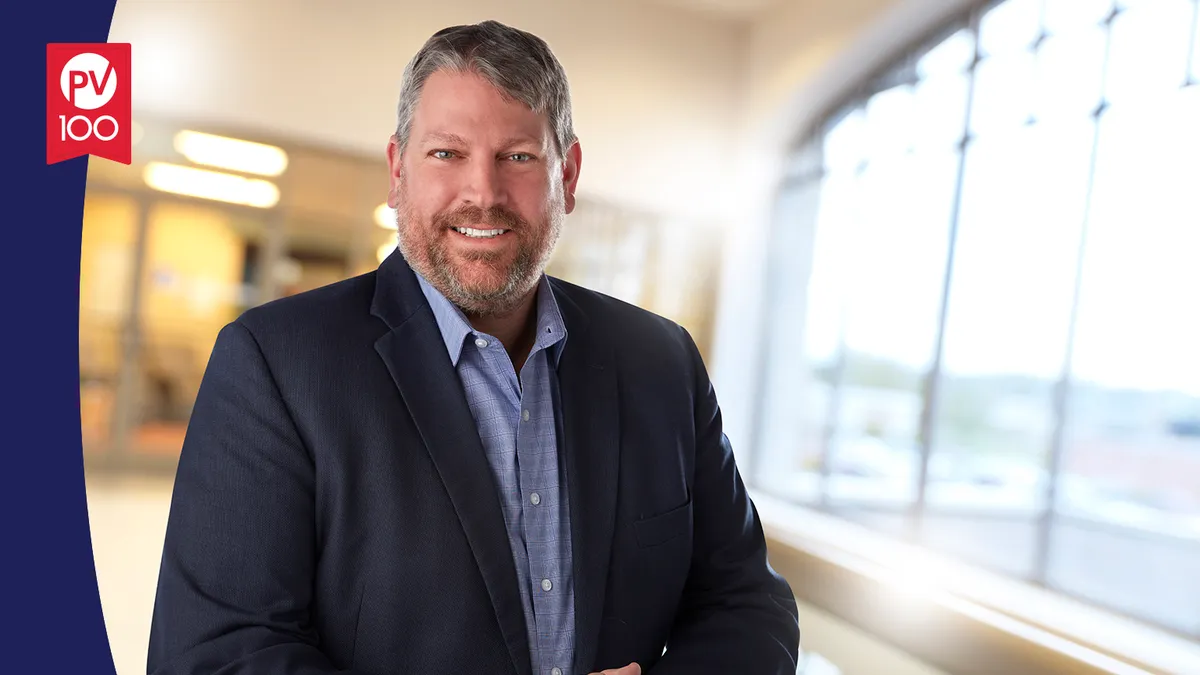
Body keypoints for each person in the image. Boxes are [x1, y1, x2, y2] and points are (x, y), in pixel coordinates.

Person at [147, 19, 799, 675]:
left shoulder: (662, 363)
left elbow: (749, 603)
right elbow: (217, 653)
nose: (482, 194)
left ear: (567, 175)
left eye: (518, 156)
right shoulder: (276, 363)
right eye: (447, 154)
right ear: (398, 170)